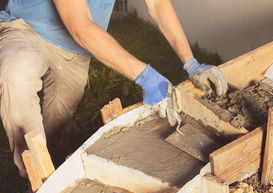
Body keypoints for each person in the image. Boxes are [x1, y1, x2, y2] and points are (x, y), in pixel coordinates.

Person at [0, 0, 227, 177]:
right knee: (15, 74)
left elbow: (158, 4)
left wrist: (190, 62)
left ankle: (50, 156)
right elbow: (80, 26)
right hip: (27, 28)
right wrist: (145, 75)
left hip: (74, 48)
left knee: (59, 116)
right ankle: (35, 179)